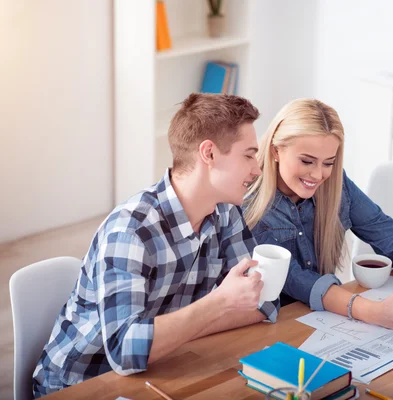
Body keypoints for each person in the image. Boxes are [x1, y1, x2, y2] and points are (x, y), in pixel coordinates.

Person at [32, 93, 276, 397]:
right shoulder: (131, 230)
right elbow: (125, 351)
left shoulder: (224, 212)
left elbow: (262, 303)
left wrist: (173, 333)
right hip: (79, 385)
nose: (257, 169)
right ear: (209, 154)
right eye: (249, 155)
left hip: (160, 367)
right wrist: (220, 303)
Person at [243, 98, 393, 331]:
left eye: (329, 163)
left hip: (321, 321)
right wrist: (374, 312)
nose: (318, 175)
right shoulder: (248, 203)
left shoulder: (337, 185)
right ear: (276, 151)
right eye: (307, 161)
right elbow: (296, 280)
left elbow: (390, 236)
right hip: (267, 329)